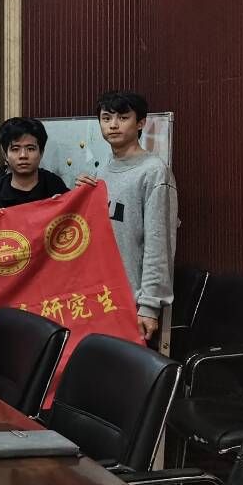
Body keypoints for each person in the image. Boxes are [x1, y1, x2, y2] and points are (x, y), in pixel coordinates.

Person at [76, 91, 178, 342]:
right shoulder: (100, 170)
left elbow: (159, 242)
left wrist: (149, 306)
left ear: (141, 123)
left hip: (132, 300)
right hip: (99, 295)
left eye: (123, 118)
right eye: (106, 118)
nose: (113, 125)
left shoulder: (154, 172)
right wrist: (78, 197)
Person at [0, 117, 68, 212]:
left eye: (30, 149)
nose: (23, 155)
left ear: (41, 152)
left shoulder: (55, 187)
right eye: (15, 149)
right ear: (5, 154)